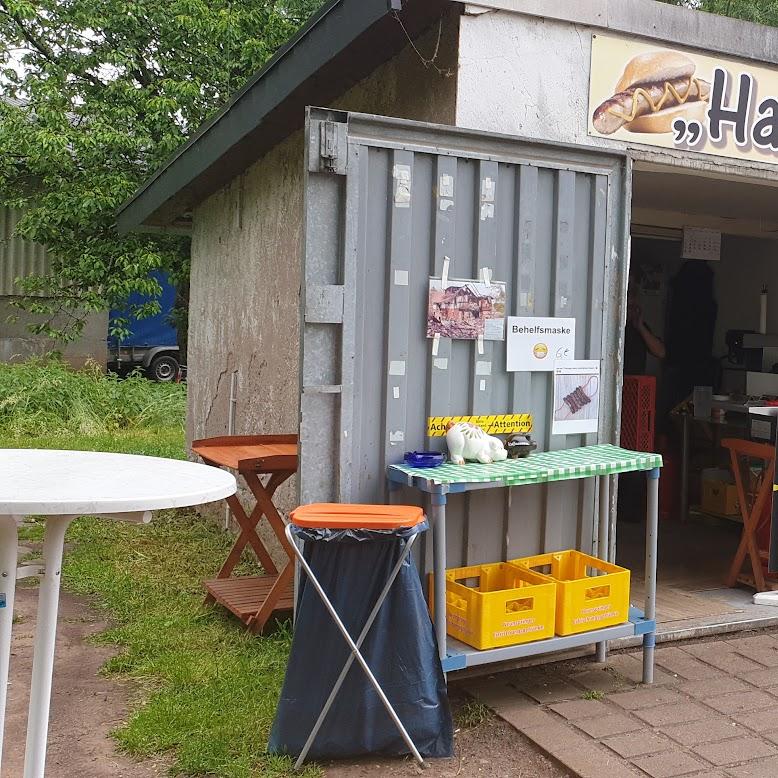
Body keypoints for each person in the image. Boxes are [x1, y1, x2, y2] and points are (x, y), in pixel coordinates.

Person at [624, 270, 666, 375]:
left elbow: (661, 352)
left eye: (633, 295)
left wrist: (641, 327)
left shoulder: (638, 327)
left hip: (634, 382)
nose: (631, 300)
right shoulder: (609, 326)